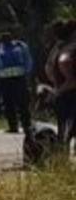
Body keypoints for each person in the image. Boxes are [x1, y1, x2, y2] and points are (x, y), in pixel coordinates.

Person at [0, 30, 33, 134]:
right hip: (5, 80)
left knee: (23, 103)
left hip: (19, 78)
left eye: (8, 37)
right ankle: (13, 126)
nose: (6, 39)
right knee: (8, 104)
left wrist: (27, 73)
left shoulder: (20, 46)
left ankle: (27, 125)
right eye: (4, 38)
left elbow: (28, 60)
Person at [44, 20, 76, 151]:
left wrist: (56, 88)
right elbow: (70, 76)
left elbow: (48, 69)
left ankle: (62, 162)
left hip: (63, 96)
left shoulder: (58, 47)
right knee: (67, 132)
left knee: (64, 133)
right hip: (71, 96)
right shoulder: (70, 49)